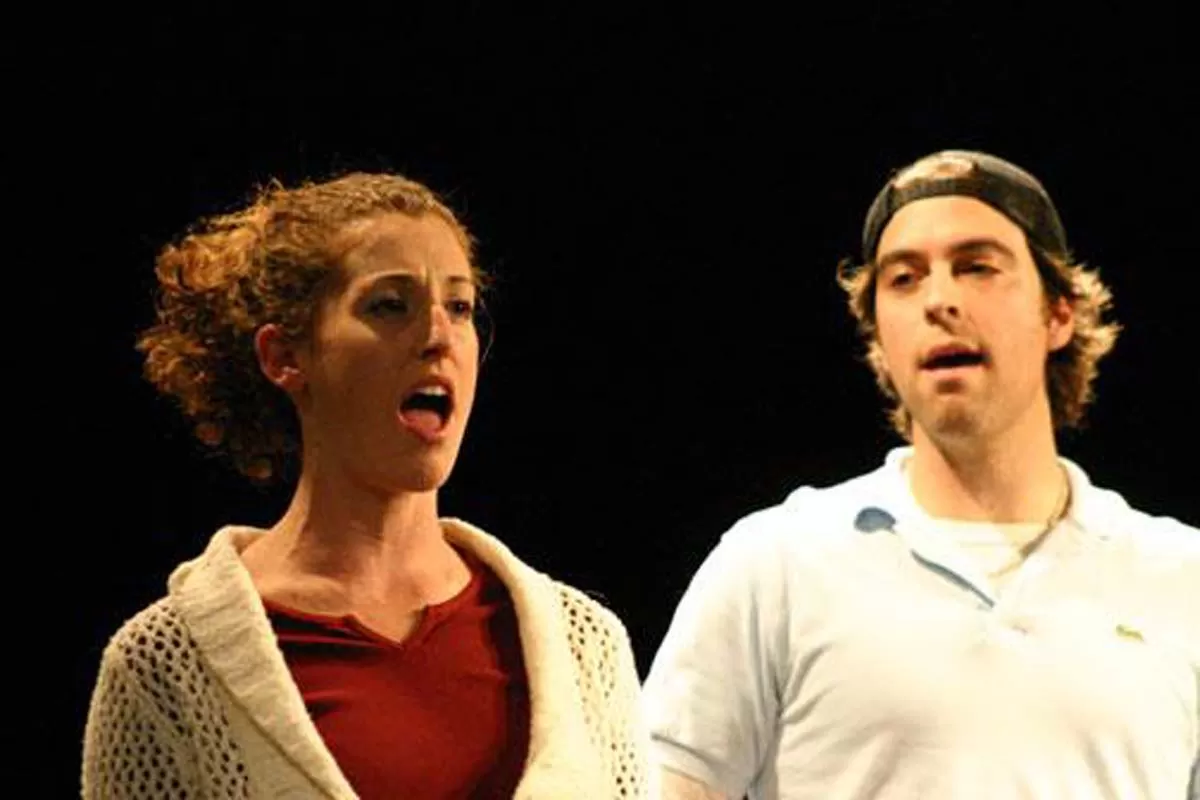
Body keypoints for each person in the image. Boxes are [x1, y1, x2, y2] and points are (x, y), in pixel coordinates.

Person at [642, 150, 1199, 799]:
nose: (938, 300)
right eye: (904, 279)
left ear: (1058, 313)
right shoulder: (777, 563)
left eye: (977, 267)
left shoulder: (1182, 577)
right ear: (878, 332)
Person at [82, 172, 649, 798]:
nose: (438, 336)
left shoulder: (583, 644)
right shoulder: (166, 667)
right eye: (389, 305)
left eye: (459, 307)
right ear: (284, 357)